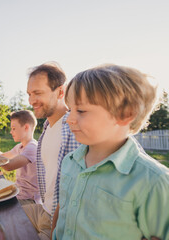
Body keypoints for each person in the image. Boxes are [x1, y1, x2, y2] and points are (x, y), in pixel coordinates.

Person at [52, 64, 169, 239]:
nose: (69, 119)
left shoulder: (153, 181)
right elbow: (63, 210)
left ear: (125, 114)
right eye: (70, 110)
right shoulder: (70, 161)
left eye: (81, 111)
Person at [23, 62, 80, 239]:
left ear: (61, 92)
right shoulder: (47, 128)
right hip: (42, 209)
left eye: (38, 93)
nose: (31, 101)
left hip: (58, 223)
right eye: (30, 94)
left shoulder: (74, 129)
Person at [0, 110, 41, 205]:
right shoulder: (20, 146)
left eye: (14, 128)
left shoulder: (32, 147)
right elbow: (3, 156)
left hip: (29, 200)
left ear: (26, 127)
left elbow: (8, 165)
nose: (11, 132)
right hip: (19, 194)